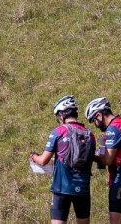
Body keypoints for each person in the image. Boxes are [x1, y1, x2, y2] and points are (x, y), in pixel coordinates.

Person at [31, 95, 95, 224]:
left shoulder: (58, 131)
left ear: (62, 115)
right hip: (82, 188)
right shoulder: (89, 135)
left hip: (62, 188)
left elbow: (43, 160)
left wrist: (33, 157)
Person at [87, 97, 121, 223]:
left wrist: (90, 155)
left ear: (99, 115)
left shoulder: (113, 129)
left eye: (94, 120)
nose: (95, 124)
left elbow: (107, 160)